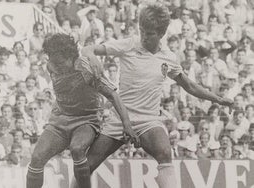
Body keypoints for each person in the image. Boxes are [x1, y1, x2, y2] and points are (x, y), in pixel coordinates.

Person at [81, 4, 233, 188]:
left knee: (165, 153)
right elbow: (89, 49)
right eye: (142, 31)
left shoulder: (168, 57)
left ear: (161, 34)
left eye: (150, 33)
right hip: (120, 117)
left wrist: (217, 99)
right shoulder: (129, 44)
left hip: (148, 120)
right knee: (86, 166)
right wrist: (91, 55)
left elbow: (190, 86)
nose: (144, 36)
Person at [26, 33, 139, 188]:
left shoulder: (86, 68)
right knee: (37, 157)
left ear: (71, 57)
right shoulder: (51, 64)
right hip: (60, 119)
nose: (57, 66)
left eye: (60, 63)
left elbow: (113, 95)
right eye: (53, 61)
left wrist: (127, 125)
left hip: (86, 120)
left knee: (77, 149)